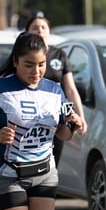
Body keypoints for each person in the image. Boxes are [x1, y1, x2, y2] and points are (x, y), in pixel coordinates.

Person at [0, 32, 83, 210]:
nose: (36, 71)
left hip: (45, 173)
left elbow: (63, 134)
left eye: (41, 64)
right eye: (29, 65)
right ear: (15, 61)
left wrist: (73, 126)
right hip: (8, 174)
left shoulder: (54, 90)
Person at [25, 13, 88, 166]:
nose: (40, 31)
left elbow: (71, 90)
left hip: (54, 118)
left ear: (49, 31)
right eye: (35, 28)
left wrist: (80, 116)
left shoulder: (59, 55)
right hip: (28, 116)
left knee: (51, 165)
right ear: (26, 33)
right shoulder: (21, 56)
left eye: (43, 27)